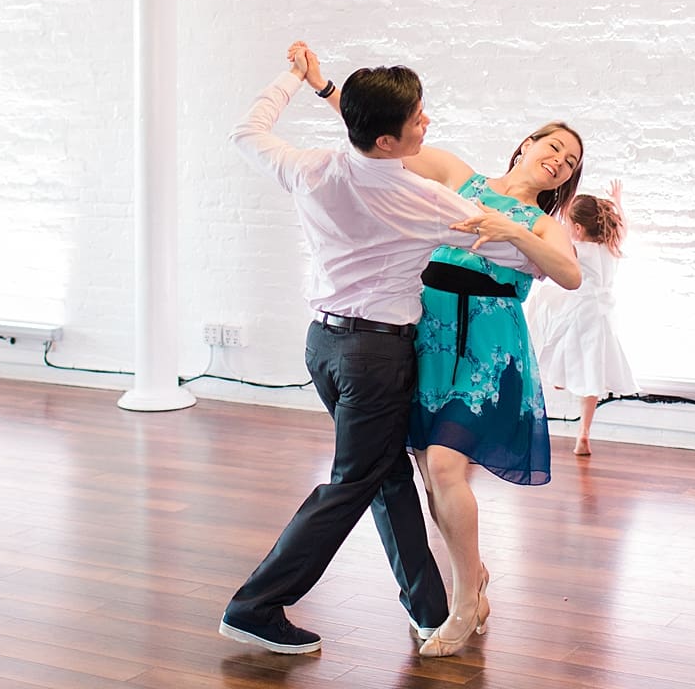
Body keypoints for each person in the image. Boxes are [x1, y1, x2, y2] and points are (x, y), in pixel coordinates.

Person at [219, 43, 574, 656]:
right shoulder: (434, 200)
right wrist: (515, 232)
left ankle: (433, 607)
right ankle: (255, 606)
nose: (427, 122)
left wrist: (300, 80)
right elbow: (521, 259)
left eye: (569, 160)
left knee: (387, 474)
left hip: (328, 346)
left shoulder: (308, 168)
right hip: (380, 354)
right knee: (360, 480)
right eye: (417, 118)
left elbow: (250, 129)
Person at [527, 181, 638, 456]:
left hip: (578, 308)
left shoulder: (576, 248)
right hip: (601, 315)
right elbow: (622, 227)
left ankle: (560, 378)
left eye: (567, 224)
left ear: (577, 229)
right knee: (592, 370)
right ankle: (583, 435)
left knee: (544, 309)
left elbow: (553, 263)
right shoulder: (612, 246)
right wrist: (618, 203)